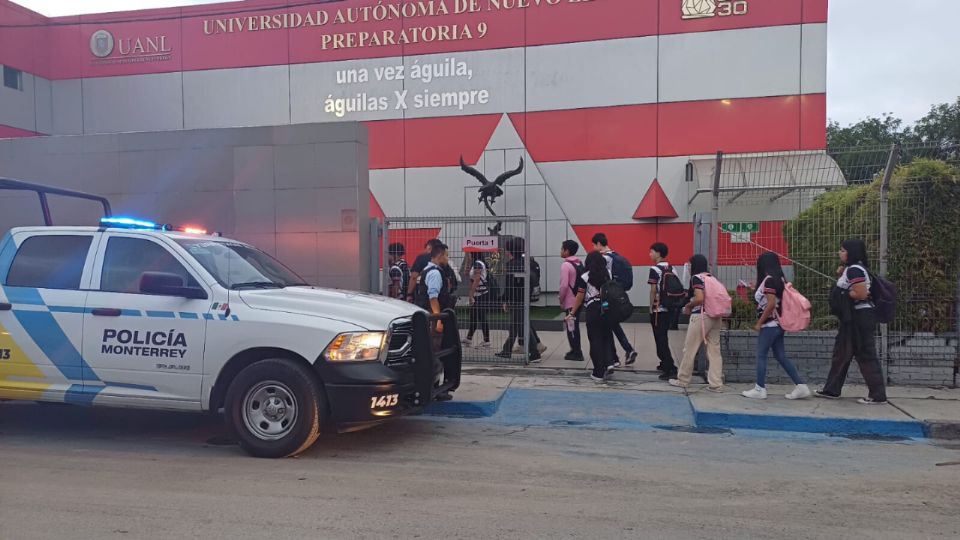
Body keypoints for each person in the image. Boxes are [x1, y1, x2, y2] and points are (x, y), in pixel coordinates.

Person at [816, 239, 888, 404]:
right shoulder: (851, 270)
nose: (839, 253)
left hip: (859, 318)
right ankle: (831, 390)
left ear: (851, 252)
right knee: (841, 353)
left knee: (865, 355)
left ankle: (877, 395)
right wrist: (841, 277)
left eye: (842, 250)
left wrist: (841, 293)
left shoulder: (854, 270)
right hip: (853, 318)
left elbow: (861, 294)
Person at [741, 252, 811, 400]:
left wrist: (759, 323)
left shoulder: (769, 281)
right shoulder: (779, 279)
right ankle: (801, 385)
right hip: (779, 325)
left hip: (770, 324)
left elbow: (771, 303)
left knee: (761, 355)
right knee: (780, 355)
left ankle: (760, 388)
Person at [669, 254, 724, 391]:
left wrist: (689, 306)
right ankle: (716, 383)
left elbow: (699, 298)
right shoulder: (711, 278)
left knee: (690, 348)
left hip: (701, 316)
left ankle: (683, 379)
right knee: (714, 351)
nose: (688, 267)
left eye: (689, 264)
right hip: (716, 316)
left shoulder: (697, 278)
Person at [566, 251, 615, 382]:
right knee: (606, 337)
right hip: (606, 307)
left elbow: (580, 296)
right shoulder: (607, 274)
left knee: (595, 340)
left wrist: (572, 313)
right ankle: (607, 365)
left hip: (593, 309)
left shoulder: (585, 277)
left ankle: (598, 372)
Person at [591, 233, 637, 367]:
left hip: (607, 297)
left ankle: (620, 354)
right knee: (611, 323)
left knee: (608, 324)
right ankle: (619, 354)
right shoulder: (617, 256)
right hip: (617, 294)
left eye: (594, 245)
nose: (593, 248)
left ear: (599, 244)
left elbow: (604, 278)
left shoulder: (604, 259)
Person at [496, 241, 542, 362]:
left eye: (506, 250)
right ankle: (506, 350)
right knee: (516, 326)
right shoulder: (526, 263)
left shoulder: (511, 265)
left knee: (522, 326)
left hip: (516, 299)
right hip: (524, 297)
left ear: (510, 251)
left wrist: (505, 300)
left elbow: (509, 285)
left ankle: (534, 353)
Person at [648, 242, 679, 380]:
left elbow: (653, 289)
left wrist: (651, 306)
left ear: (658, 253)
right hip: (669, 308)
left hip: (658, 309)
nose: (650, 254)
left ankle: (670, 367)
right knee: (663, 336)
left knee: (660, 339)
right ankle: (663, 363)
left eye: (651, 251)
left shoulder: (654, 269)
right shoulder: (672, 268)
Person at [559, 240, 585, 361]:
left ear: (567, 251)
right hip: (579, 299)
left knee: (571, 326)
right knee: (574, 325)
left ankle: (576, 352)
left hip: (570, 300)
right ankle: (575, 349)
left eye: (562, 248)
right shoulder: (579, 263)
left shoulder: (566, 265)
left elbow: (564, 285)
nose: (560, 251)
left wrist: (561, 299)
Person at [462, 251, 491, 348]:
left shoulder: (478, 264)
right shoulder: (475, 263)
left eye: (469, 253)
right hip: (478, 294)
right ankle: (469, 338)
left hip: (481, 294)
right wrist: (467, 259)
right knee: (473, 316)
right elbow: (466, 273)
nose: (468, 255)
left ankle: (487, 341)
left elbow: (477, 279)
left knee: (482, 317)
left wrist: (471, 295)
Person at [407, 238, 443, 303]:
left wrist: (409, 294)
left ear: (429, 247)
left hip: (423, 293)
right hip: (440, 292)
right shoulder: (442, 259)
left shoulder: (422, 258)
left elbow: (414, 277)